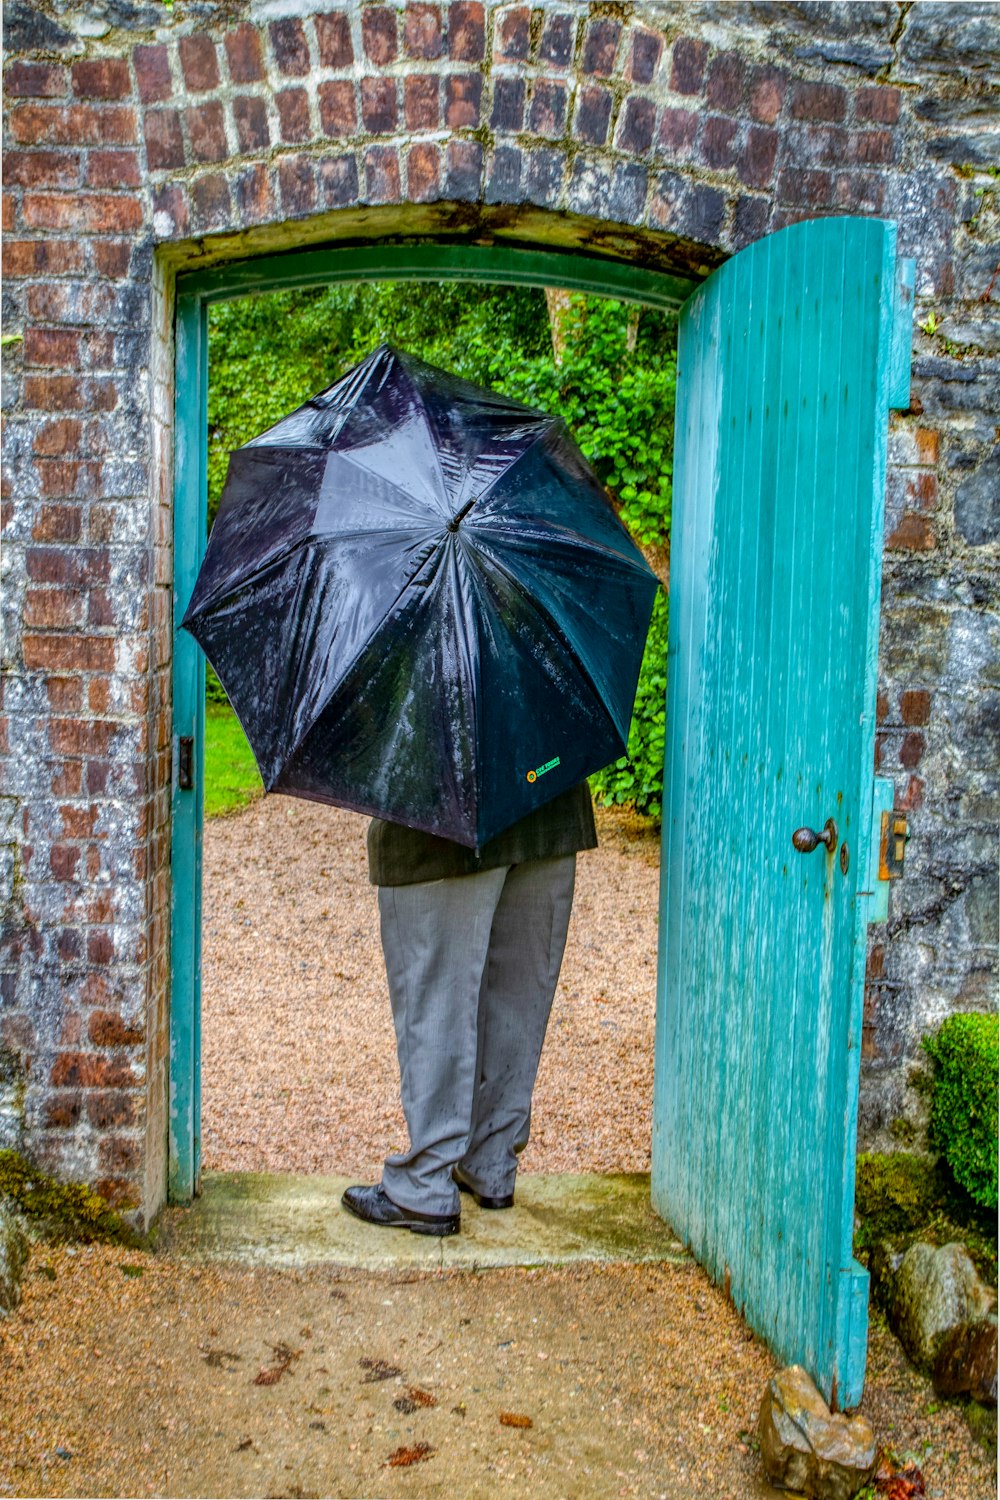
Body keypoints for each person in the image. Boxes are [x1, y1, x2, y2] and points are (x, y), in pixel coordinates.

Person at [341, 782, 597, 1236]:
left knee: (438, 997)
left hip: (441, 820)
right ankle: (491, 1159)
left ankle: (425, 1183)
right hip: (547, 804)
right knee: (518, 1000)